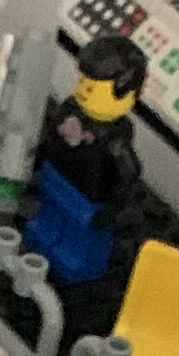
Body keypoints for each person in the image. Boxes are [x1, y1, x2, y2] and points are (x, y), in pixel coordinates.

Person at [25, 35, 149, 294]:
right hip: (55, 180)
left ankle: (75, 276)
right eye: (81, 82)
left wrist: (114, 208)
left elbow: (129, 174)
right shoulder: (69, 109)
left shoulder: (114, 137)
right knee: (46, 224)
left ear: (124, 91)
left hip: (89, 202)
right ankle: (41, 247)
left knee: (80, 245)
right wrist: (37, 158)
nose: (81, 90)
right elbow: (51, 137)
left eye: (91, 88)